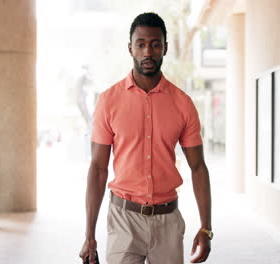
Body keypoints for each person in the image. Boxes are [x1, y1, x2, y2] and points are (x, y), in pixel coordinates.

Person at [79, 12, 212, 264]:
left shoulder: (183, 104)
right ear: (130, 49)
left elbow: (198, 167)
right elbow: (98, 169)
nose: (147, 52)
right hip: (123, 219)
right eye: (140, 44)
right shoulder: (108, 101)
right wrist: (89, 235)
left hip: (168, 221)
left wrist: (206, 228)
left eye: (155, 44)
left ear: (165, 48)